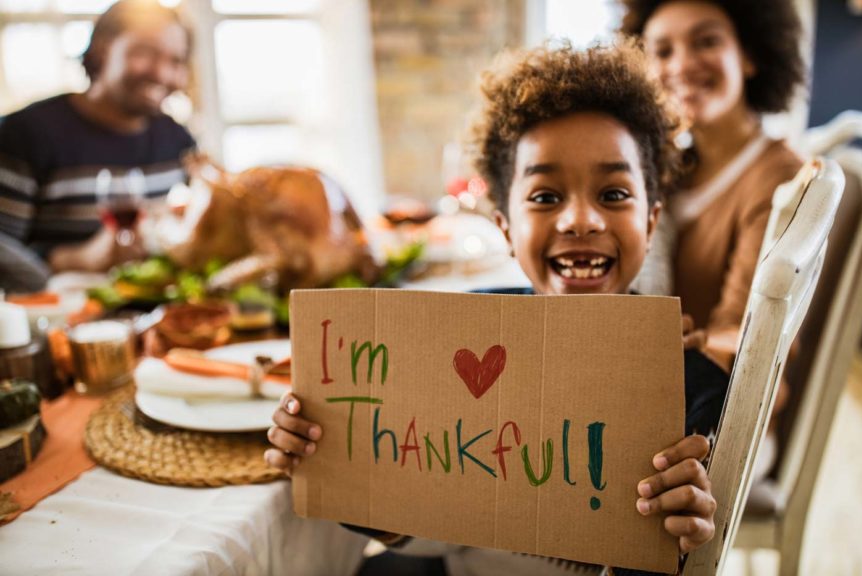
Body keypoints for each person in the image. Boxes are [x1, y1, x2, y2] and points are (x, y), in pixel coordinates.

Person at [266, 41, 730, 576]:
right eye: (544, 197)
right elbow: (431, 529)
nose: (581, 219)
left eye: (614, 194)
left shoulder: (688, 387)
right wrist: (339, 457)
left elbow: (689, 537)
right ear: (505, 228)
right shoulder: (458, 342)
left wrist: (691, 530)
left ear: (649, 222)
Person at [620, 0, 805, 371]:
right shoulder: (667, 167)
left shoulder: (782, 181)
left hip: (713, 411)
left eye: (706, 42)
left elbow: (746, 335)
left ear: (749, 57)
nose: (682, 65)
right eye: (663, 51)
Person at [0, 0, 195, 275]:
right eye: (145, 52)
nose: (161, 73)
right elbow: (4, 253)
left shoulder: (178, 141)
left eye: (176, 61)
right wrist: (80, 258)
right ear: (103, 50)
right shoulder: (24, 135)